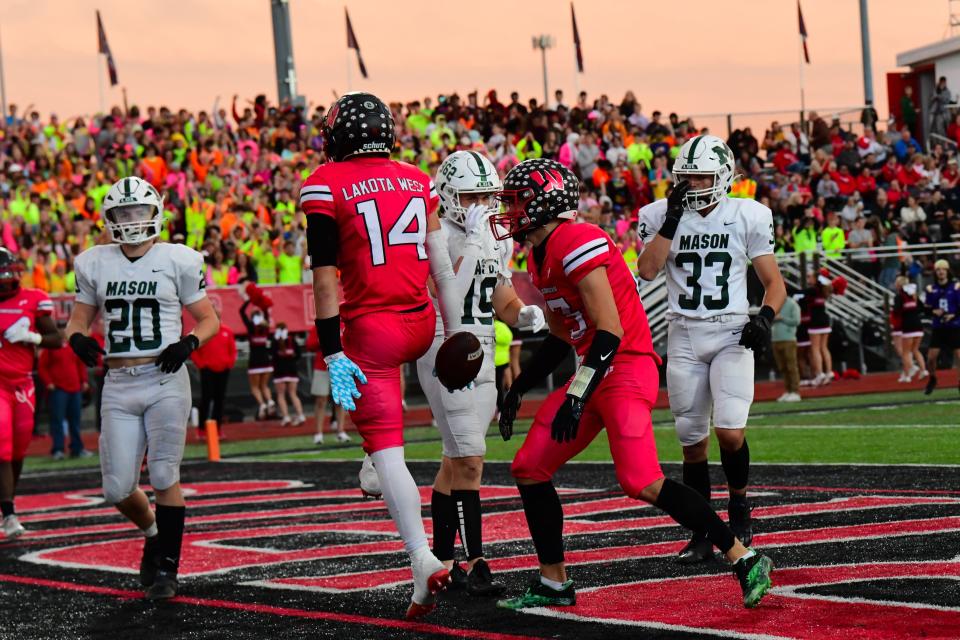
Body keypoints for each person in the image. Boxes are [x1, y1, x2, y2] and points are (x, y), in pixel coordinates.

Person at [494, 158, 774, 612]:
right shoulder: (539, 253)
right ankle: (553, 582)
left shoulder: (576, 239)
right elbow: (564, 335)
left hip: (623, 366)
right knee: (529, 466)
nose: (510, 209)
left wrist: (578, 393)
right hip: (595, 369)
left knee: (640, 480)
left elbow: (609, 331)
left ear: (543, 201)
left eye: (516, 199)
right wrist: (520, 385)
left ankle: (744, 558)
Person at [301, 92, 465, 620]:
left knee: (389, 447)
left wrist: (329, 350)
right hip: (422, 323)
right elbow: (441, 265)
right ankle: (373, 454)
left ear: (337, 138)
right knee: (384, 436)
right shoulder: (417, 179)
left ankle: (421, 556)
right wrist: (456, 332)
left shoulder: (325, 184)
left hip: (371, 331)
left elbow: (325, 280)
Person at [66, 176, 219, 600]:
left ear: (156, 211)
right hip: (118, 382)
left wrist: (189, 342)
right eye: (124, 213)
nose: (132, 220)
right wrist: (77, 338)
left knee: (166, 473)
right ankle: (153, 532)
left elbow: (209, 320)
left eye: (138, 211)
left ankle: (168, 569)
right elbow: (77, 321)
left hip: (165, 378)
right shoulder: (94, 261)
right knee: (116, 487)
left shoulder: (179, 259)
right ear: (110, 218)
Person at [636, 134, 787, 564]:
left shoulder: (747, 215)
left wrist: (765, 317)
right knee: (691, 441)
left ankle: (738, 507)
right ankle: (703, 531)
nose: (694, 183)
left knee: (730, 430)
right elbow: (647, 271)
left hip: (731, 332)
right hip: (683, 332)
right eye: (687, 176)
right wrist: (670, 219)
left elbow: (776, 284)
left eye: (702, 175)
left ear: (722, 176)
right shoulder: (657, 214)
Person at [416, 151, 546, 597]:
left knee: (456, 460)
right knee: (471, 457)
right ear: (451, 195)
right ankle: (475, 562)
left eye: (487, 197)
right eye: (472, 196)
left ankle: (442, 560)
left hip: (486, 348)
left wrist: (521, 314)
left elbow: (498, 291)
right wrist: (471, 244)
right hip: (445, 345)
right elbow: (448, 290)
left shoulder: (495, 235)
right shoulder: (433, 231)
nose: (481, 206)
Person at [0, 247, 60, 538]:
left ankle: (7, 504)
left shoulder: (33, 298)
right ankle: (9, 513)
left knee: (19, 449)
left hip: (23, 383)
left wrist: (31, 336)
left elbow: (57, 339)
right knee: (2, 442)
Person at [38, 323, 92, 459]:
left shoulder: (73, 346)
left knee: (75, 421)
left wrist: (84, 380)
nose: (64, 333)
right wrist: (49, 382)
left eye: (65, 330)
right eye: (61, 330)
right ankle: (58, 449)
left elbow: (80, 364)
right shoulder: (50, 348)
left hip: (75, 389)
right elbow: (42, 367)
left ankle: (77, 448)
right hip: (58, 389)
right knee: (57, 420)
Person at [190, 308, 237, 435]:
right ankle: (201, 429)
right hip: (208, 370)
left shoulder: (227, 331)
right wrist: (201, 364)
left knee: (219, 400)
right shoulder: (202, 332)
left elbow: (232, 350)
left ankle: (217, 429)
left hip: (223, 370)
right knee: (206, 399)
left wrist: (229, 363)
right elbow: (194, 350)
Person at [305, 324, 349, 445]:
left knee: (340, 400)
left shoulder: (343, 324)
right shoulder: (319, 325)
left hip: (340, 367)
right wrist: (323, 340)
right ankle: (318, 434)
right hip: (322, 366)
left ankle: (340, 431)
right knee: (321, 400)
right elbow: (309, 345)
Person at [923, 259, 960, 395]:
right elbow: (926, 310)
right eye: (938, 270)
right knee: (931, 358)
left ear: (947, 271)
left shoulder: (956, 287)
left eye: (943, 269)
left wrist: (953, 315)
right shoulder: (931, 289)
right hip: (939, 327)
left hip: (954, 325)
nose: (941, 272)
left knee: (959, 355)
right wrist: (934, 311)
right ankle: (932, 378)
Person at [240, 297, 275, 420]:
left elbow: (241, 312)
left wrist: (249, 300)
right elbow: (265, 309)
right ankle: (270, 401)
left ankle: (262, 404)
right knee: (264, 386)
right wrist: (260, 301)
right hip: (266, 361)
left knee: (255, 387)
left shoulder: (250, 327)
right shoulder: (265, 327)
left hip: (255, 362)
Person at [271, 322, 305, 426]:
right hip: (292, 370)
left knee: (281, 395)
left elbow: (272, 354)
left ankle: (286, 417)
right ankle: (300, 415)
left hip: (279, 371)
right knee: (293, 394)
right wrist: (291, 359)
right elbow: (299, 355)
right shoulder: (292, 339)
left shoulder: (275, 340)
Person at [894, 277, 927, 383]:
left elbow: (896, 310)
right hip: (918, 324)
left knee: (905, 352)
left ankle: (907, 375)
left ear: (899, 285)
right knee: (915, 349)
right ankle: (923, 370)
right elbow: (922, 308)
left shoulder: (899, 296)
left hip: (908, 326)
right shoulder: (914, 295)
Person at [805, 270, 833, 386]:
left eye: (809, 277)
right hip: (825, 320)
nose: (808, 279)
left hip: (816, 322)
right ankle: (829, 372)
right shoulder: (823, 290)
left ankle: (820, 373)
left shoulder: (812, 290)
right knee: (824, 348)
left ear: (816, 279)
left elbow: (798, 292)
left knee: (815, 349)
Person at [772, 295, 801, 402]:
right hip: (775, 339)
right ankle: (788, 391)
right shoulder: (773, 302)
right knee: (782, 367)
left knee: (791, 367)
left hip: (789, 339)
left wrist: (782, 318)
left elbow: (797, 321)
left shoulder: (792, 304)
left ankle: (795, 392)